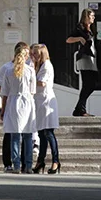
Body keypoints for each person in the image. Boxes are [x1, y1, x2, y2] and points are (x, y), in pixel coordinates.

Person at [0, 43, 36, 174]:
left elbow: (4, 93)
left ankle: (16, 164)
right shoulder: (30, 71)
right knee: (27, 135)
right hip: (27, 103)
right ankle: (28, 165)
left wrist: (3, 110)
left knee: (15, 136)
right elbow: (33, 91)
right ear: (25, 56)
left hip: (13, 103)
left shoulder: (8, 71)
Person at [0, 42, 28, 172]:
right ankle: (8, 162)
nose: (27, 57)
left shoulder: (28, 68)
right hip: (10, 104)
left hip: (24, 105)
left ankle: (25, 162)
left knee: (24, 134)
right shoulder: (6, 68)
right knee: (9, 134)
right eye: (25, 53)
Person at [31, 44, 61, 174]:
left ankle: (56, 161)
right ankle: (40, 161)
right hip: (40, 102)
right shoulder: (39, 66)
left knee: (48, 132)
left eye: (36, 54)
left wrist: (29, 79)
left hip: (46, 102)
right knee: (42, 134)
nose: (34, 56)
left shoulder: (46, 66)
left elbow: (42, 82)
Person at [66, 8, 98, 117]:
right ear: (86, 16)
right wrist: (79, 38)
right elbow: (68, 39)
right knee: (87, 85)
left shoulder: (91, 28)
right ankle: (81, 110)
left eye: (93, 16)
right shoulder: (80, 27)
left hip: (92, 59)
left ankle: (78, 109)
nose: (93, 18)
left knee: (92, 85)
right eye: (91, 16)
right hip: (84, 58)